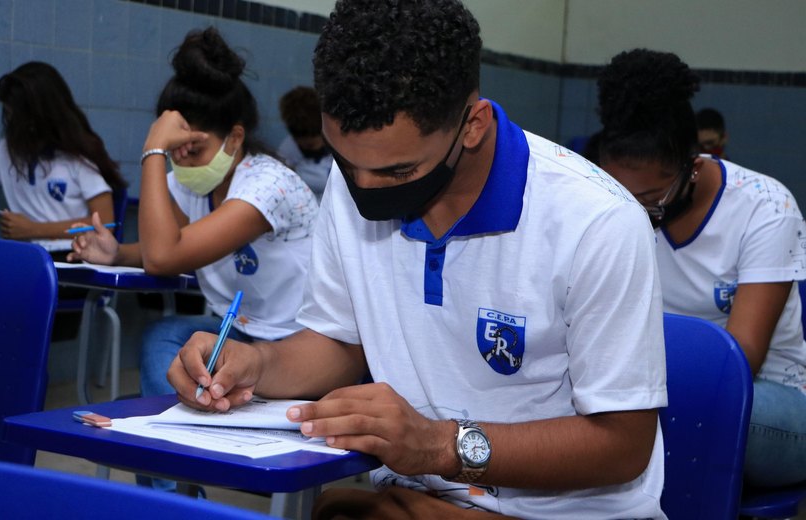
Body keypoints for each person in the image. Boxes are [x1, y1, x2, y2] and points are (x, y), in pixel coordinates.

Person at [167, 2, 667, 518]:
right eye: (346, 161)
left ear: (471, 126)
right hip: (418, 496)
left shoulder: (597, 222)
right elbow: (340, 342)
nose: (364, 189)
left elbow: (623, 446)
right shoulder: (360, 174)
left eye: (399, 172)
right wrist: (257, 363)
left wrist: (440, 446)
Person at [68, 27, 318, 490]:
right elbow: (171, 245)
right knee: (162, 339)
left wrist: (154, 150)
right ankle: (175, 484)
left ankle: (176, 475)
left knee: (173, 342)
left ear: (235, 138)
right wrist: (116, 252)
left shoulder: (268, 185)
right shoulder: (196, 183)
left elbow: (165, 257)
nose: (182, 163)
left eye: (192, 150)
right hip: (239, 333)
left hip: (301, 346)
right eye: (175, 153)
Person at [597, 48, 806, 488]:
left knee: (652, 419)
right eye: (620, 195)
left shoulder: (765, 208)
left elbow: (737, 364)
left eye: (652, 198)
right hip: (647, 389)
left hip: (768, 401)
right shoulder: (606, 206)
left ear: (693, 168)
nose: (636, 213)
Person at [0, 61, 125, 255]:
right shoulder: (8, 150)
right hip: (27, 255)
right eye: (8, 113)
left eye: (16, 115)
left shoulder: (77, 157)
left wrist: (33, 229)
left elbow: (106, 223)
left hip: (70, 254)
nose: (11, 123)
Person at [276, 86, 332, 201]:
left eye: (313, 144)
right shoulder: (288, 150)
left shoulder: (339, 146)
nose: (312, 149)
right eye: (305, 146)